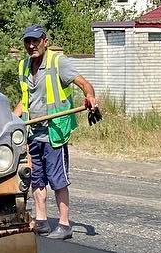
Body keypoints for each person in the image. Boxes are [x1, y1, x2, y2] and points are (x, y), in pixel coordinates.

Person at [11, 25, 100, 240]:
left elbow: (84, 84)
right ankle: (41, 221)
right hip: (33, 131)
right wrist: (11, 122)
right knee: (37, 179)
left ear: (45, 41)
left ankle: (64, 224)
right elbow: (25, 100)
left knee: (58, 179)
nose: (31, 45)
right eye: (28, 42)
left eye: (35, 41)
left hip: (55, 132)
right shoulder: (23, 66)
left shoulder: (57, 62)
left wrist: (90, 97)